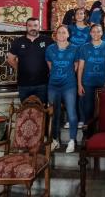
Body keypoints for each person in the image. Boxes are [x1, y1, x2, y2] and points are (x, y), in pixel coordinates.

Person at [45, 25, 78, 153]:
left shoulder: (74, 48)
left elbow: (75, 65)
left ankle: (72, 140)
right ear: (56, 35)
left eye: (64, 33)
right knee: (54, 113)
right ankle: (55, 140)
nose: (62, 35)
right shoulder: (50, 49)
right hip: (53, 85)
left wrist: (66, 76)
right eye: (59, 32)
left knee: (71, 112)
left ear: (68, 35)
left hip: (69, 85)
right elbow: (50, 65)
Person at [8, 17, 54, 104]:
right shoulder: (18, 41)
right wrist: (21, 69)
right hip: (24, 84)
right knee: (25, 111)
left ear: (39, 27)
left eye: (35, 25)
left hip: (42, 84)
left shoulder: (47, 41)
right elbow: (10, 59)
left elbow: (55, 57)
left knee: (42, 111)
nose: (33, 28)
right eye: (30, 25)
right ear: (26, 27)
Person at [77, 24, 105, 130]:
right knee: (88, 109)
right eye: (94, 31)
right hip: (88, 83)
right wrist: (79, 84)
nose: (96, 33)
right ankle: (89, 135)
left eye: (98, 31)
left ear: (102, 33)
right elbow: (81, 67)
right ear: (90, 33)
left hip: (103, 82)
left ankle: (103, 132)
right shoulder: (84, 47)